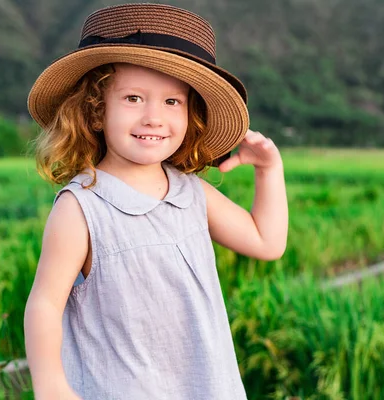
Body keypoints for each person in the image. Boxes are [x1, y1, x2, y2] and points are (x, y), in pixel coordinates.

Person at [23, 3, 288, 400]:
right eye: (133, 98)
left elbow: (267, 242)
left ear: (189, 115)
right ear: (96, 112)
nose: (153, 117)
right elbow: (44, 304)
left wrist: (269, 171)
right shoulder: (83, 207)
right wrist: (52, 387)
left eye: (172, 102)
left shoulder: (191, 193)